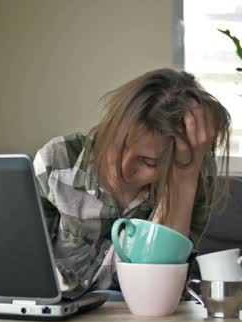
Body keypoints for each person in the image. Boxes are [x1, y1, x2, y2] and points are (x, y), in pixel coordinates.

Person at [33, 68, 231, 297]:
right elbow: (23, 267)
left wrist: (184, 180)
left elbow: (157, 294)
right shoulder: (56, 162)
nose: (123, 168)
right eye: (120, 144)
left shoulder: (194, 181)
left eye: (149, 162)